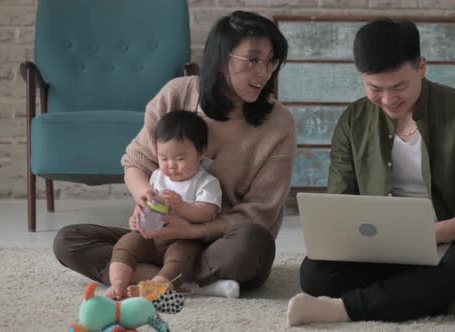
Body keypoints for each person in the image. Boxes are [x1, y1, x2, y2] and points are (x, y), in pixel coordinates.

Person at [286, 18, 455, 326]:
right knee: (314, 273)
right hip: (378, 247)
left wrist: (426, 236)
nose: (388, 99)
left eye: (399, 86)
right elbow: (340, 201)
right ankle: (452, 297)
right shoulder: (353, 120)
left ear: (421, 67)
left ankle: (345, 309)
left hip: (449, 242)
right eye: (375, 88)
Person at [53, 10, 295, 299]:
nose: (263, 72)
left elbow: (259, 214)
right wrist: (145, 198)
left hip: (221, 244)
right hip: (159, 237)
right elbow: (135, 163)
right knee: (69, 240)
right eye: (253, 60)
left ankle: (155, 275)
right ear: (221, 58)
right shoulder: (176, 95)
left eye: (270, 62)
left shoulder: (278, 123)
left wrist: (192, 231)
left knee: (253, 243)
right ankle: (191, 284)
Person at [106, 110, 222, 300]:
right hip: (151, 237)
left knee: (182, 258)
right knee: (126, 243)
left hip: (183, 240)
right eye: (164, 158)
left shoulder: (206, 182)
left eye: (180, 158)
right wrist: (138, 216)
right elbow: (148, 205)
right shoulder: (157, 176)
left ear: (201, 152)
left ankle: (157, 286)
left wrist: (182, 206)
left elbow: (208, 213)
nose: (171, 165)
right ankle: (118, 282)